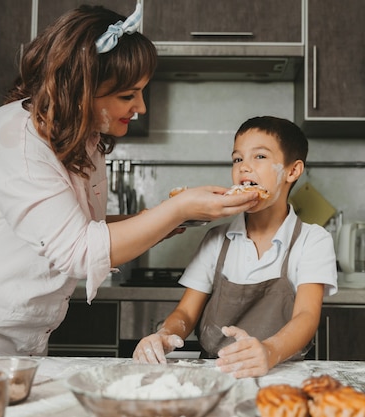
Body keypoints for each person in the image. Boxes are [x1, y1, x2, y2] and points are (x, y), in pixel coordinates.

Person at [0, 5, 258, 357]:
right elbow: (78, 249)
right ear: (81, 88)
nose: (142, 108)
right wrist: (177, 208)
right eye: (127, 95)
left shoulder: (84, 142)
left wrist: (169, 218)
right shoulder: (16, 137)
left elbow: (84, 228)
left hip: (15, 337)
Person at [133, 116, 338, 378]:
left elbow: (307, 316)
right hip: (216, 372)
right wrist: (165, 335)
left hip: (282, 373)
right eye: (237, 159)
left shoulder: (312, 240)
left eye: (260, 157)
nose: (244, 168)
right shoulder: (217, 240)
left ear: (292, 171)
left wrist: (269, 351)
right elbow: (185, 312)